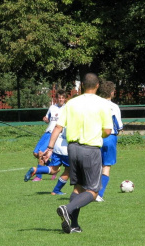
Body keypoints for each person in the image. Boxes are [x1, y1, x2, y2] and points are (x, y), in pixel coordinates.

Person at [43, 73, 112, 233]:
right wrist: (97, 134)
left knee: (77, 188)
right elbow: (108, 131)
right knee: (93, 191)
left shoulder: (71, 103)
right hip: (91, 149)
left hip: (72, 149)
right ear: (97, 86)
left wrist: (50, 148)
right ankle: (67, 208)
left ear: (81, 87)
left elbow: (58, 127)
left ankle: (73, 225)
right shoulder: (102, 104)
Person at [29, 90, 67, 181]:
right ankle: (53, 168)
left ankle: (39, 176)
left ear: (65, 98)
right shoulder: (52, 107)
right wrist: (45, 119)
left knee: (41, 153)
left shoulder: (67, 109)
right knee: (35, 153)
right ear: (57, 98)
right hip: (48, 132)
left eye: (62, 98)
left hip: (56, 134)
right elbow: (48, 119)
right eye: (59, 98)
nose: (61, 99)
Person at [96, 81, 123, 202]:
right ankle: (99, 194)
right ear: (112, 92)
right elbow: (119, 126)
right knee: (106, 166)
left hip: (95, 137)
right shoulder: (114, 107)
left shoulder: (95, 104)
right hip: (109, 137)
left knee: (94, 166)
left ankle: (88, 192)